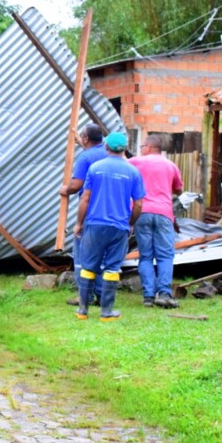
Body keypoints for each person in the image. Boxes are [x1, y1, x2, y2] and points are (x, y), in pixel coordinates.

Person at [74, 131, 145, 322]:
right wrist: (130, 224)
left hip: (95, 224)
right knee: (112, 268)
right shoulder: (133, 171)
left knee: (88, 266)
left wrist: (79, 223)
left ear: (106, 147)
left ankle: (82, 311)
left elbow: (85, 198)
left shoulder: (95, 168)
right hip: (119, 227)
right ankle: (106, 313)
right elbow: (138, 204)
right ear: (124, 148)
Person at [128, 134, 183, 309]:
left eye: (143, 146)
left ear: (150, 147)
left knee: (146, 255)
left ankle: (148, 297)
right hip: (164, 214)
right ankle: (165, 294)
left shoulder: (136, 162)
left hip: (141, 212)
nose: (141, 149)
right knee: (165, 255)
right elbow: (179, 190)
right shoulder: (171, 165)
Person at [59, 123, 107, 307]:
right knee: (101, 256)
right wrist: (79, 141)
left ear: (86, 139)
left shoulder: (85, 158)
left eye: (82, 136)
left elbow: (76, 185)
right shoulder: (109, 153)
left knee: (81, 255)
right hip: (108, 213)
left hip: (89, 213)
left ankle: (84, 296)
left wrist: (65, 189)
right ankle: (102, 294)